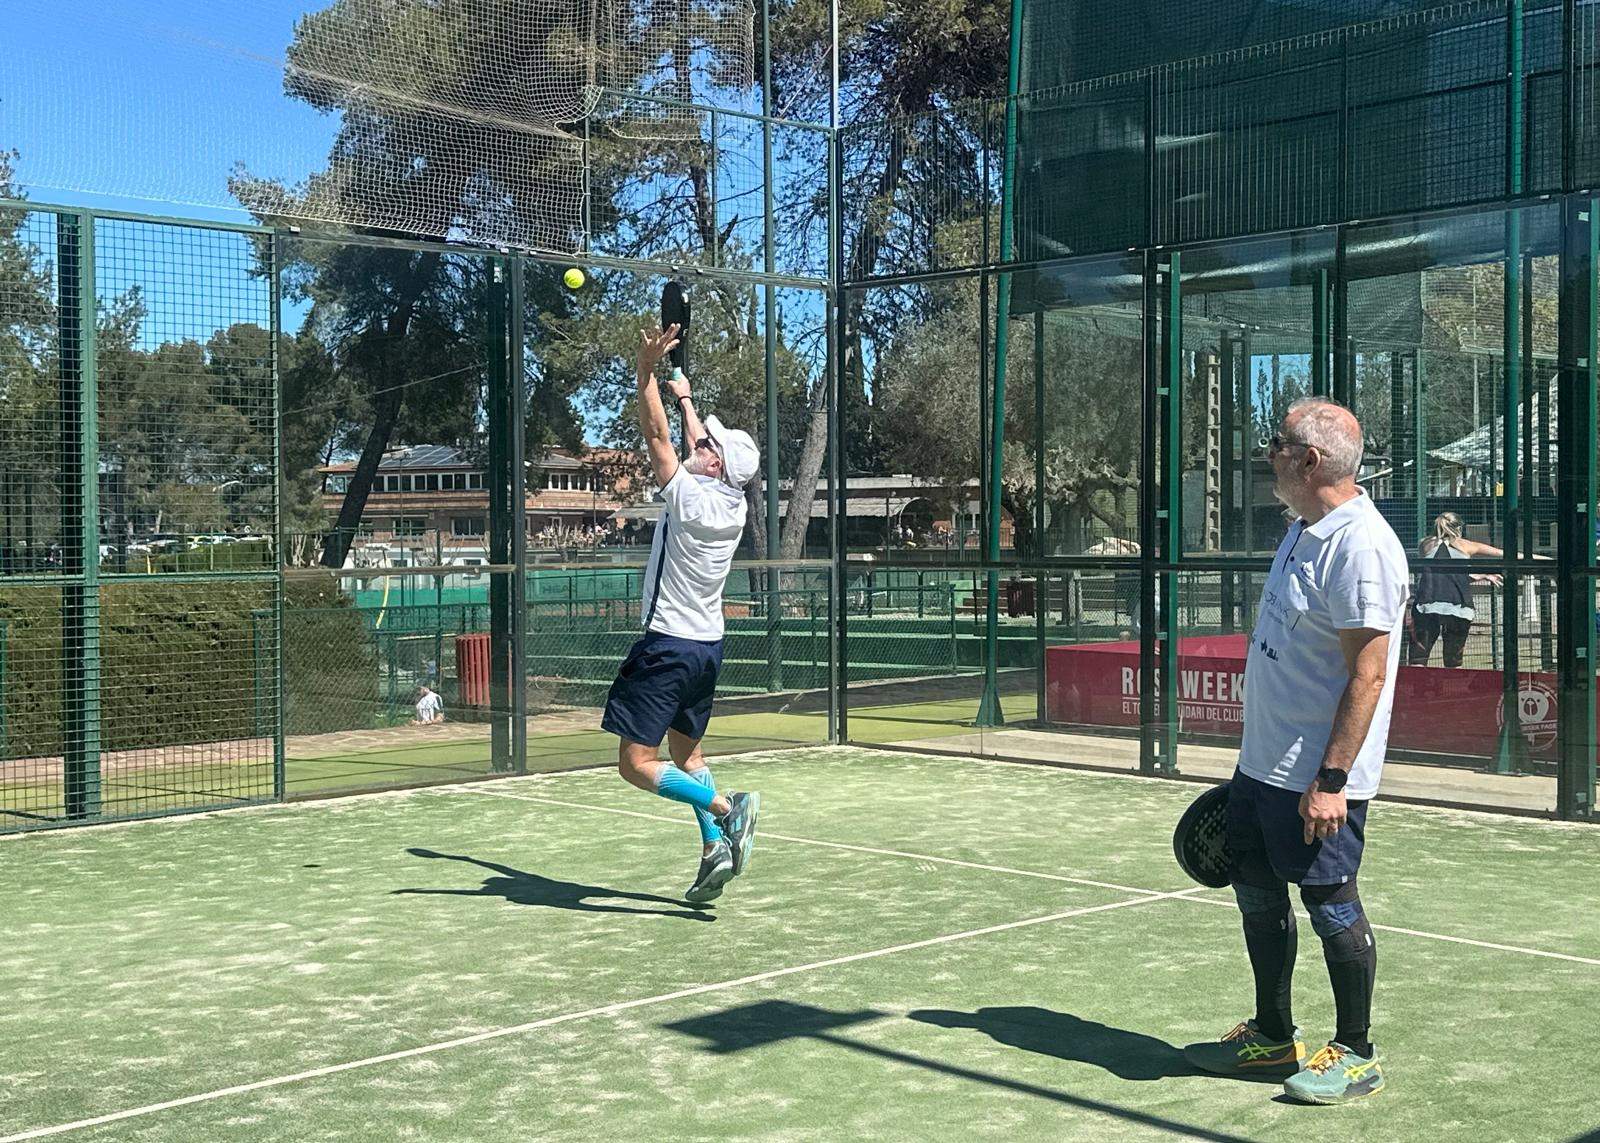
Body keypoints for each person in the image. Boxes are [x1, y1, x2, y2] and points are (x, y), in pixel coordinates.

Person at [1183, 397, 1409, 1105]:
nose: (1267, 454)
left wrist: (1332, 780)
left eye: (1275, 443)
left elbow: (1368, 674)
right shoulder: (1303, 528)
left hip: (1317, 777)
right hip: (1261, 768)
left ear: (1309, 460)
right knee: (1255, 892)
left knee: (1331, 902)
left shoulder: (1362, 546)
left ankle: (1357, 1050)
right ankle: (1274, 1032)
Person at [600, 323, 763, 905]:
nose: (701, 442)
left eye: (709, 445)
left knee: (634, 763)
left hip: (667, 644)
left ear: (714, 465)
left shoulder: (688, 495)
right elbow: (694, 440)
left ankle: (728, 808)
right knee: (687, 755)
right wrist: (688, 397)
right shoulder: (733, 503)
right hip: (707, 649)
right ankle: (712, 848)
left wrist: (644, 373)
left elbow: (658, 436)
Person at [1408, 511, 1502, 668]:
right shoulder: (1466, 545)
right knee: (1454, 662)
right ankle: (1452, 689)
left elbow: (1440, 574)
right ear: (1459, 528)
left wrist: (1478, 576)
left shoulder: (1425, 544)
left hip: (1427, 605)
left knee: (1418, 660)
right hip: (1459, 607)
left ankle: (1416, 690)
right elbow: (1502, 554)